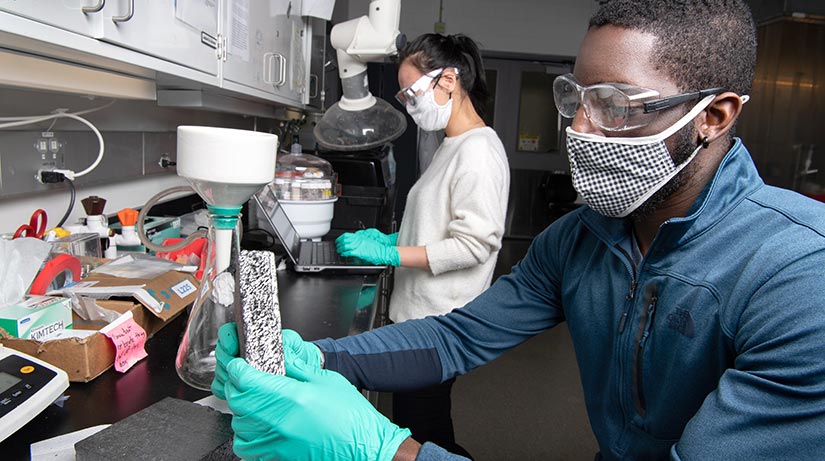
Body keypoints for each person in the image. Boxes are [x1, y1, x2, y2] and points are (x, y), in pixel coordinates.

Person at [211, 1, 825, 460]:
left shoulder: (799, 275)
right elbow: (457, 339)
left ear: (713, 116)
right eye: (576, 99)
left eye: (616, 105)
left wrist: (383, 450)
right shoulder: (578, 239)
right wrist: (319, 358)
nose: (581, 129)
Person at [332, 33, 509, 457]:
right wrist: (391, 238)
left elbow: (473, 245)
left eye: (412, 93)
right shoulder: (451, 146)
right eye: (404, 95)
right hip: (418, 319)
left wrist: (391, 254)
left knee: (425, 437)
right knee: (417, 426)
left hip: (439, 326)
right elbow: (437, 227)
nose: (410, 105)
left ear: (448, 80)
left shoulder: (480, 151)